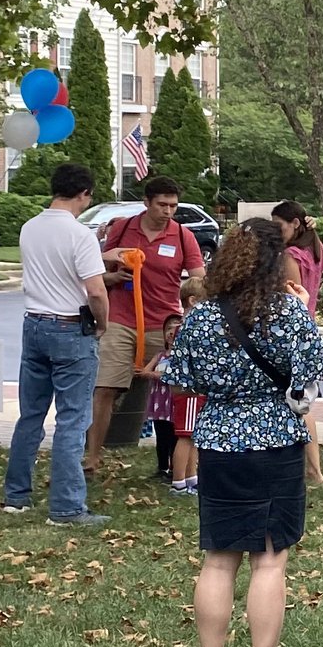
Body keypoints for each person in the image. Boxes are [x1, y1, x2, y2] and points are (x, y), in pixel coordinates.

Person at [157, 219, 323, 647]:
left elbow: (179, 376)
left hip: (216, 440)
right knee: (270, 559)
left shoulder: (202, 315)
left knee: (218, 558)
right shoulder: (286, 311)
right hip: (275, 438)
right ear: (275, 259)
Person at [2, 162, 113, 527]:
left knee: (31, 414)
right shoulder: (80, 235)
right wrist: (102, 322)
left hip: (33, 323)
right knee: (72, 420)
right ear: (84, 193)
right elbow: (95, 289)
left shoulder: (30, 227)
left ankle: (16, 495)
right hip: (70, 327)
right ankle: (66, 508)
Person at [86, 174, 206, 470]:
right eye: (162, 205)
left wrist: (194, 305)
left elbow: (199, 279)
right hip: (120, 318)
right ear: (146, 203)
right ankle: (92, 454)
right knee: (105, 388)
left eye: (173, 206)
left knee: (174, 390)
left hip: (163, 323)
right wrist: (112, 277)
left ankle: (169, 463)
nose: (167, 211)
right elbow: (94, 266)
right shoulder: (124, 228)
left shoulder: (182, 236)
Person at [271, 201, 323, 484]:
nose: (275, 231)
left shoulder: (291, 255)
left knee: (298, 401)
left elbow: (293, 296)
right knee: (301, 400)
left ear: (295, 223)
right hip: (310, 325)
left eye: (279, 225)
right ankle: (310, 469)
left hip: (295, 329)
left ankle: (313, 469)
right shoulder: (315, 248)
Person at [146, 314, 201, 498]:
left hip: (193, 393)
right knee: (185, 438)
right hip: (189, 393)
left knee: (192, 438)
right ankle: (178, 482)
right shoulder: (186, 329)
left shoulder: (190, 326)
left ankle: (192, 478)